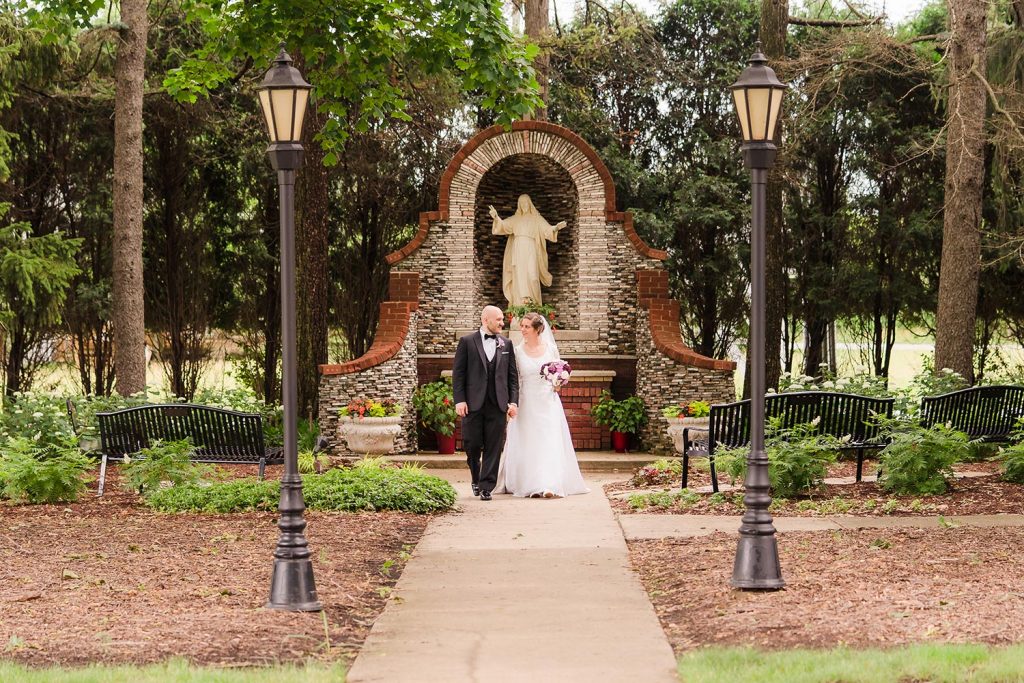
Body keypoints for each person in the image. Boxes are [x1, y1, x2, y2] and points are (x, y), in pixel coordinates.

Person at [498, 312, 588, 498]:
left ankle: (548, 484)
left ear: (538, 329)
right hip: (526, 402)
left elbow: (558, 375)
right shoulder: (517, 351)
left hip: (548, 402)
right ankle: (529, 484)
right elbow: (513, 380)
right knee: (528, 441)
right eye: (521, 326)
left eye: (526, 327)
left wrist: (558, 383)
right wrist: (512, 403)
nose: (522, 329)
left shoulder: (550, 349)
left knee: (548, 441)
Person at [452, 305, 519, 501]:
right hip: (472, 403)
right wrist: (460, 400)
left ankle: (486, 486)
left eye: (501, 319)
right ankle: (476, 476)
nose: (502, 322)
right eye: (498, 319)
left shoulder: (506, 344)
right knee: (471, 445)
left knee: (494, 446)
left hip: (498, 403)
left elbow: (512, 377)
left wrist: (513, 402)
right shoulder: (467, 342)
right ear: (485, 320)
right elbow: (459, 374)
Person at [489, 194, 566, 306]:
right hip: (518, 249)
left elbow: (547, 230)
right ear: (519, 205)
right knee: (519, 276)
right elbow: (503, 226)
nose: (524, 205)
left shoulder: (537, 219)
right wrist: (496, 217)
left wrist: (556, 228)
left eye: (525, 203)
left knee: (533, 276)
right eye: (521, 203)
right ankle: (520, 306)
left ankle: (534, 305)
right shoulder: (516, 219)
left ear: (530, 204)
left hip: (531, 249)